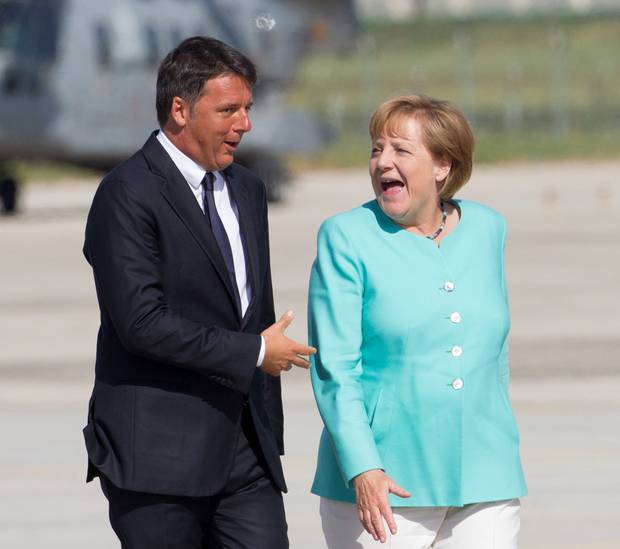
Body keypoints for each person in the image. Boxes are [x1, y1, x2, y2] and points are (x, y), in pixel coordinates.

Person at [82, 36, 315, 549]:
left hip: (246, 455)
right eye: (229, 109)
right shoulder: (126, 194)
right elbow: (141, 323)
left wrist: (267, 434)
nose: (245, 124)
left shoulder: (247, 189)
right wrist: (255, 352)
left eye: (248, 108)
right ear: (180, 110)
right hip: (158, 461)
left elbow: (255, 309)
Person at [308, 94, 527, 548]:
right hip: (384, 488)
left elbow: (493, 350)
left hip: (486, 476)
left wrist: (502, 443)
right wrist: (363, 467)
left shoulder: (488, 228)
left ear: (443, 166)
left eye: (400, 150)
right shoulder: (345, 237)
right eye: (375, 149)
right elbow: (335, 368)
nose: (382, 162)